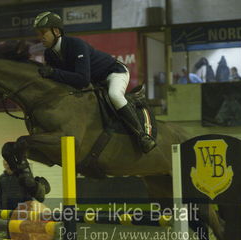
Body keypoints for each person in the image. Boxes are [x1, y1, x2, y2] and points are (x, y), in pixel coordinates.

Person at [32, 11, 155, 153]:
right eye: (38, 34)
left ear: (57, 31)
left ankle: (142, 136)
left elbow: (82, 79)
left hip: (113, 72)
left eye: (43, 32)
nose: (40, 37)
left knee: (114, 95)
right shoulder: (49, 54)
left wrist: (53, 73)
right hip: (95, 80)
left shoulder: (75, 44)